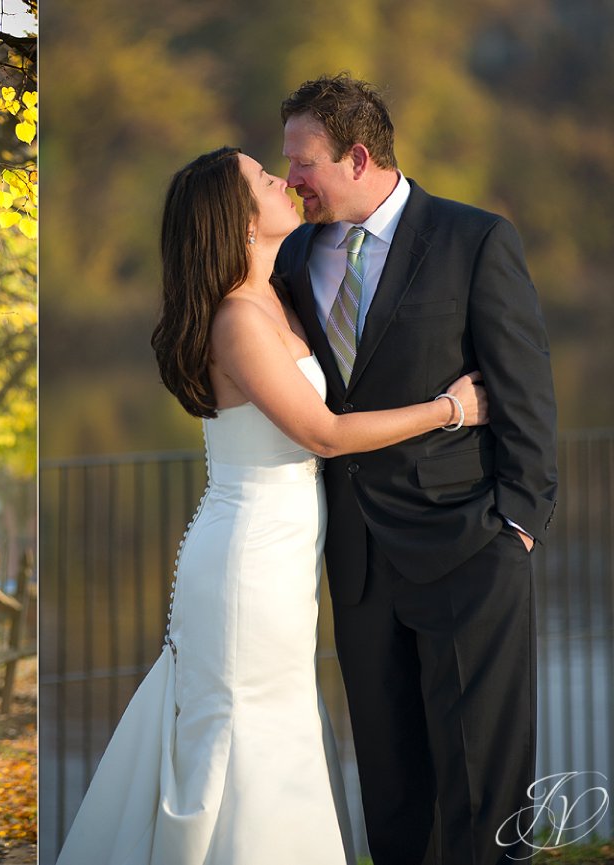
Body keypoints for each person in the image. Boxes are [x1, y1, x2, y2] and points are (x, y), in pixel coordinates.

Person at [55, 146, 489, 865]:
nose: (281, 180)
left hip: (282, 562)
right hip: (245, 563)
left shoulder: (280, 292)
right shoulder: (236, 319)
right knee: (247, 731)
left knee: (281, 724)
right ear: (238, 217)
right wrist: (451, 408)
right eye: (263, 178)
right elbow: (322, 433)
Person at [276, 74, 557, 864]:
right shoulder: (294, 255)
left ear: (358, 157)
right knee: (394, 795)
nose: (292, 177)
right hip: (359, 565)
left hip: (471, 550)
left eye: (303, 163)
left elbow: (526, 393)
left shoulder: (475, 239)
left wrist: (518, 527)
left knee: (483, 794)